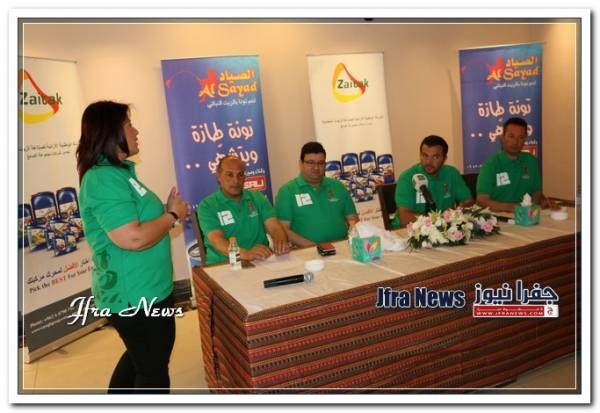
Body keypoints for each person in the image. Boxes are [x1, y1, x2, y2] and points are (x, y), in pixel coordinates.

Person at [77, 100, 190, 393]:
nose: (136, 131)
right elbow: (132, 238)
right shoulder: (102, 178)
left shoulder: (119, 173)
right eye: (129, 125)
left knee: (142, 360)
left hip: (147, 290)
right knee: (152, 371)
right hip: (135, 296)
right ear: (111, 132)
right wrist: (172, 215)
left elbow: (135, 221)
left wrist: (165, 211)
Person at [196, 155, 289, 265]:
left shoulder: (257, 197)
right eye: (229, 175)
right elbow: (217, 241)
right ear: (218, 176)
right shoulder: (207, 205)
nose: (236, 181)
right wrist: (246, 254)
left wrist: (280, 242)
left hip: (260, 261)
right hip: (223, 264)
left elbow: (274, 227)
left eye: (240, 175)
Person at [275, 141, 358, 247]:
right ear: (301, 164)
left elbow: (353, 220)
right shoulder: (287, 191)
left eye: (320, 163)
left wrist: (350, 241)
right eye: (311, 162)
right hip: (305, 251)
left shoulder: (338, 187)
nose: (316, 167)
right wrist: (314, 247)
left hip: (341, 247)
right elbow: (283, 229)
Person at [476, 117, 557, 212]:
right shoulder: (490, 165)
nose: (515, 142)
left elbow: (537, 191)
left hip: (527, 215)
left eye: (520, 137)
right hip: (499, 217)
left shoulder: (530, 160)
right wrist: (513, 207)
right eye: (511, 136)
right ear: (502, 138)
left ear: (525, 139)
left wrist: (538, 203)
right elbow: (481, 201)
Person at [395, 135, 474, 227]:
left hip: (445, 229)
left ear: (444, 159)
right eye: (425, 155)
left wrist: (459, 211)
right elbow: (404, 218)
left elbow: (469, 202)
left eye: (435, 157)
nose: (428, 162)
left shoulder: (452, 173)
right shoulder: (407, 178)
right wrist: (438, 221)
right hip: (407, 231)